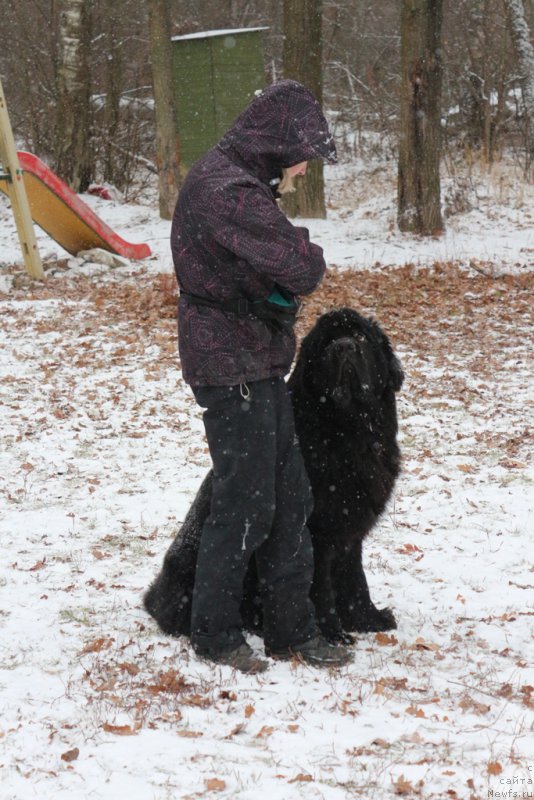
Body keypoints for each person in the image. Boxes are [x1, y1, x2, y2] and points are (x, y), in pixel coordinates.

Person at [170, 79, 353, 673]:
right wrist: (300, 251)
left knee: (288, 496)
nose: (305, 167)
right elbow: (303, 267)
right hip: (231, 364)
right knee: (245, 502)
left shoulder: (239, 181)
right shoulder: (231, 193)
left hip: (254, 357)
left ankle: (291, 629)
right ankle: (216, 633)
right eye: (303, 154)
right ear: (279, 143)